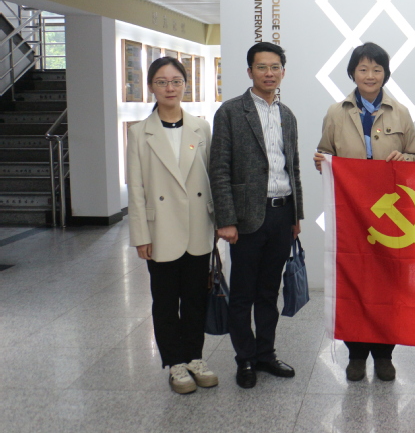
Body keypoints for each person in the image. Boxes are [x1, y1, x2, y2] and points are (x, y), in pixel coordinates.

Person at [314, 42, 415, 382]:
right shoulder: (336, 113)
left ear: (385, 74)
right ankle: (356, 355)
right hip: (352, 217)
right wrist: (321, 161)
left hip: (392, 217)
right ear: (352, 73)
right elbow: (325, 154)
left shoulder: (401, 112)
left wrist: (405, 159)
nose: (370, 75)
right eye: (363, 69)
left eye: (377, 69)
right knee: (355, 284)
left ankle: (385, 355)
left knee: (389, 286)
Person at [209, 42, 303, 389]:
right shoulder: (231, 112)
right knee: (243, 294)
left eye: (275, 67)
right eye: (261, 67)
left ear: (283, 72)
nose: (269, 73)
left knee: (268, 292)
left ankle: (265, 353)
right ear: (250, 71)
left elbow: (292, 167)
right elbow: (219, 169)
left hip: (281, 214)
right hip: (246, 218)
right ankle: (245, 358)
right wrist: (226, 219)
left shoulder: (287, 115)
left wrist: (296, 216)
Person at [127, 57, 218, 394]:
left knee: (196, 298)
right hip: (161, 228)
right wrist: (141, 235)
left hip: (197, 225)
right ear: (152, 86)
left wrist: (217, 225)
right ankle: (175, 363)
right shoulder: (140, 133)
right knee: (165, 300)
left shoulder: (201, 128)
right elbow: (136, 189)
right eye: (162, 82)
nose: (170, 88)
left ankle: (195, 357)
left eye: (176, 81)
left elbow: (210, 179)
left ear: (185, 85)